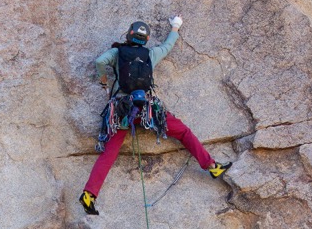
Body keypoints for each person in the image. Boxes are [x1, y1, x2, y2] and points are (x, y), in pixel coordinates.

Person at [79, 16, 231, 215]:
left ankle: (89, 194)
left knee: (110, 152)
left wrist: (103, 81)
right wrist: (176, 26)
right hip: (147, 110)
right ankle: (211, 166)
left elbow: (100, 61)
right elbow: (168, 46)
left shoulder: (117, 52)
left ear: (129, 35)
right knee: (183, 132)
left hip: (122, 110)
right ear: (146, 39)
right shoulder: (150, 54)